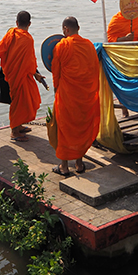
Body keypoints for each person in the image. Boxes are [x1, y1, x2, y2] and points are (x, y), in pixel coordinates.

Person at [51, 16, 100, 176]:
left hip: (67, 95)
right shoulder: (89, 46)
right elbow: (94, 71)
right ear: (78, 27)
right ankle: (79, 163)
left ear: (65, 29)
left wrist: (56, 90)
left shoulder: (61, 46)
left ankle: (64, 167)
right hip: (85, 95)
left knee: (64, 128)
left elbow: (56, 74)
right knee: (80, 127)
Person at [0, 11, 45, 142]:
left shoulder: (10, 34)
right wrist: (35, 74)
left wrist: (34, 74)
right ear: (30, 24)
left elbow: (0, 51)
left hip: (13, 74)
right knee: (19, 103)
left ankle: (19, 125)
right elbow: (30, 62)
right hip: (20, 75)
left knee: (23, 101)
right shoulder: (27, 39)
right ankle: (14, 131)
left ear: (16, 22)